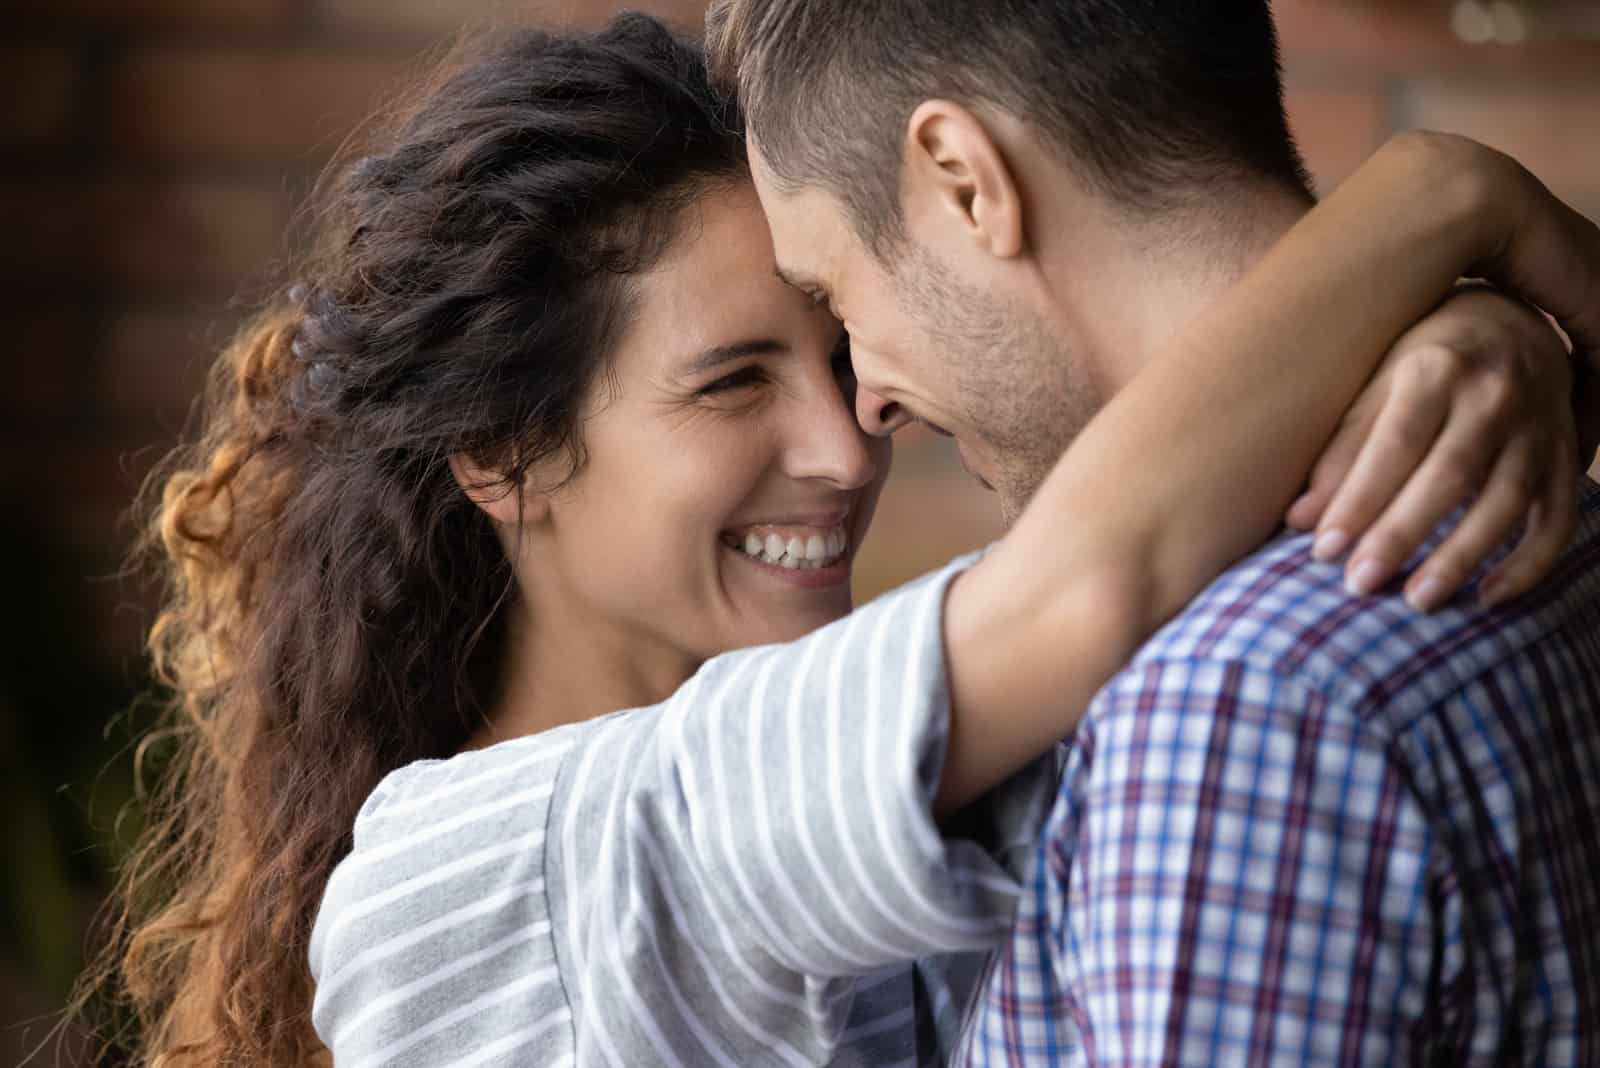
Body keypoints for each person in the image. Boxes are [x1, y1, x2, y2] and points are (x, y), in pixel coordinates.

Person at [84, 13, 1595, 1068]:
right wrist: (1438, 208)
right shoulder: (469, 877)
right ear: (502, 456)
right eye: (732, 379)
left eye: (835, 342)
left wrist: (1470, 339)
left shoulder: (922, 732)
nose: (852, 430)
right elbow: (1093, 573)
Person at [707, 0, 1600, 1063]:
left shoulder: (1231, 710)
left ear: (964, 179)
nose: (867, 411)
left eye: (836, 293)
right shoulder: (1549, 495)